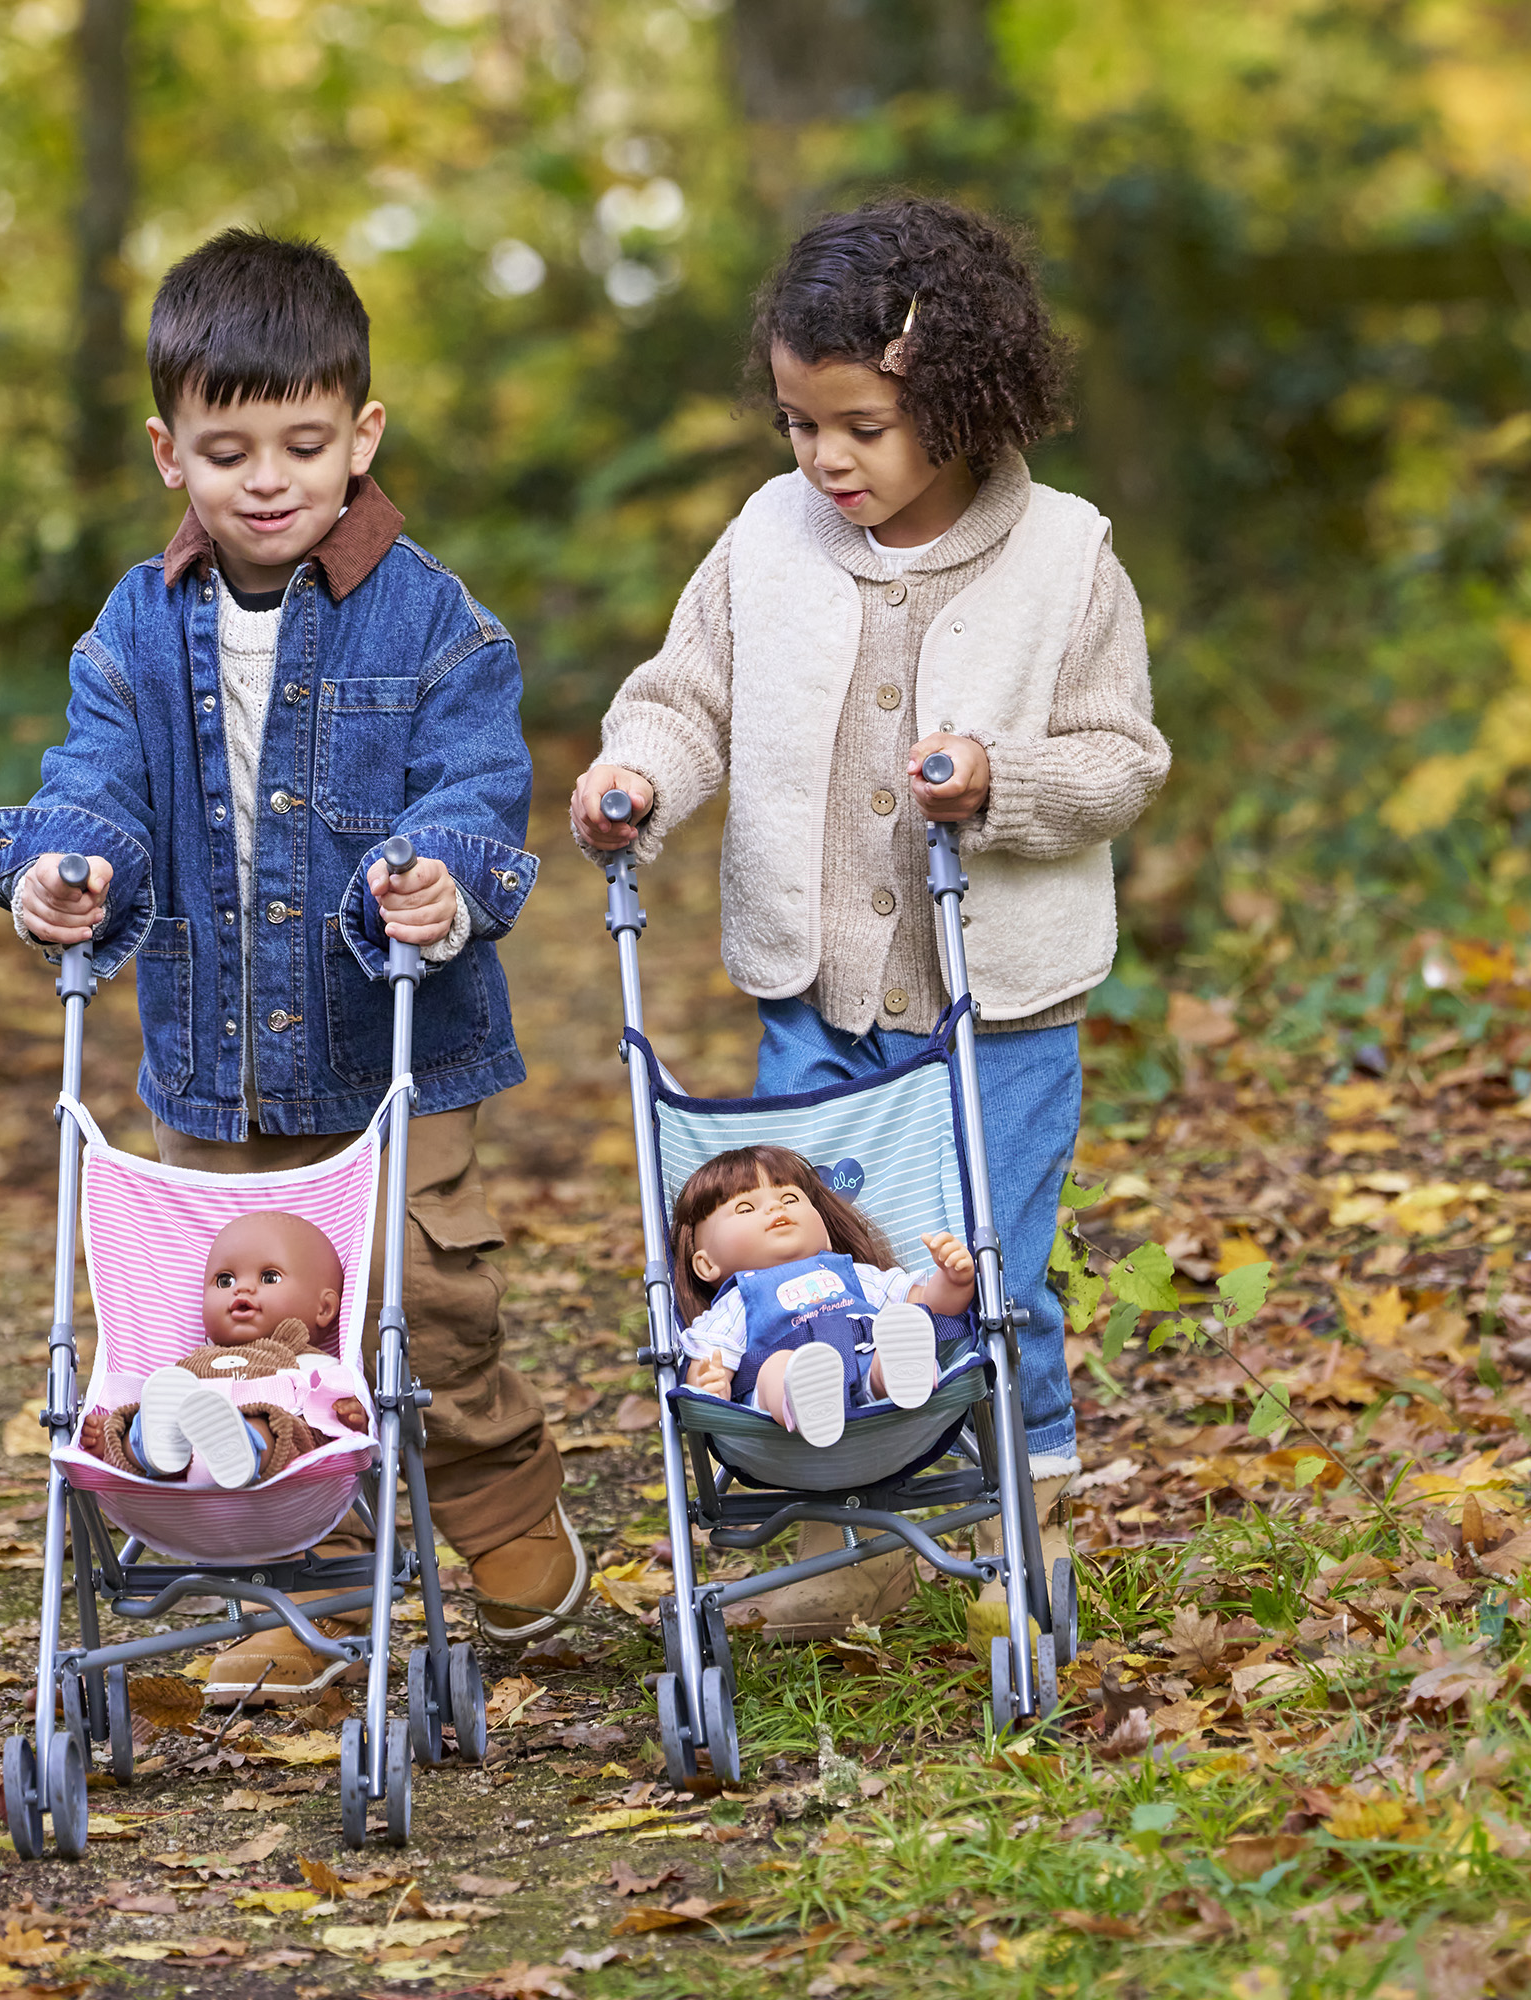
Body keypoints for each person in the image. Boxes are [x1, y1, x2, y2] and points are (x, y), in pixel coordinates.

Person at [0, 229, 583, 1697]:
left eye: (304, 444)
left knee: (420, 1303)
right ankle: (301, 1590)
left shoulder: (434, 617)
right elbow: (97, 776)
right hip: (215, 1061)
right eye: (227, 446)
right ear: (167, 450)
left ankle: (503, 1505)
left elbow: (471, 777)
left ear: (362, 433)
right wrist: (68, 862)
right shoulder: (138, 623)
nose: (267, 478)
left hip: (396, 1047)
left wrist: (439, 869)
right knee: (241, 1329)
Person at [571, 195, 1171, 1643]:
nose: (824, 459)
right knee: (818, 1265)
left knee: (986, 1262)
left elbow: (1119, 757)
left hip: (1000, 1002)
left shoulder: (1067, 558)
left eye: (859, 427)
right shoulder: (768, 540)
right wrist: (640, 772)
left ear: (962, 402)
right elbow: (688, 691)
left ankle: (1015, 1505)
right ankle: (846, 1531)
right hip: (818, 992)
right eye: (797, 425)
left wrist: (1002, 783)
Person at [672, 1144, 974, 1446]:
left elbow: (929, 1306)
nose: (776, 1208)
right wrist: (709, 1383)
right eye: (746, 1208)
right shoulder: (738, 1301)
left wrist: (953, 1279)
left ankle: (900, 1375)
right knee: (777, 1369)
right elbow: (707, 1361)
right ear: (707, 1264)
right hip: (780, 1412)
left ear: (825, 1234)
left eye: (789, 1198)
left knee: (901, 1327)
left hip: (870, 1387)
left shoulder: (854, 1274)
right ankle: (805, 1399)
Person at [78, 1211, 370, 1490]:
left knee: (278, 1428)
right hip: (181, 1450)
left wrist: (351, 1415)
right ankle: (145, 1448)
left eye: (268, 1277)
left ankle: (241, 1444)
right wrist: (116, 1428)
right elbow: (151, 1401)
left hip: (270, 1460)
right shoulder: (192, 1362)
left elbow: (331, 1413)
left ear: (325, 1308)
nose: (241, 1289)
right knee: (151, 1418)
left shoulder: (311, 1362)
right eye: (224, 1280)